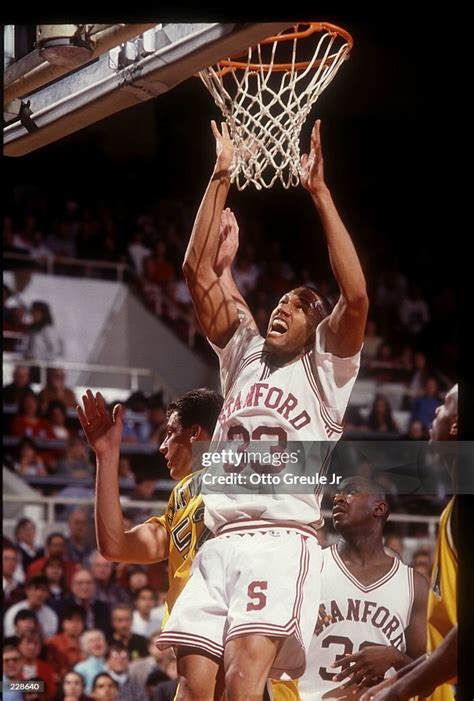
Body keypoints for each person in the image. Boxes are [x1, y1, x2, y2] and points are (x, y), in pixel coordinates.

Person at [156, 118, 368, 698]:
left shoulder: (326, 370)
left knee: (244, 680)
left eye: (296, 307)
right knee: (193, 688)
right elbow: (196, 272)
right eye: (276, 302)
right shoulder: (242, 352)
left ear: (314, 326)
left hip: (279, 540)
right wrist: (220, 176)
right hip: (218, 539)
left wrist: (320, 195)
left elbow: (356, 297)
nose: (281, 309)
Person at [360, 384, 458, 701]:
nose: (434, 411)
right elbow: (448, 641)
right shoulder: (453, 509)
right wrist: (392, 684)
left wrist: (398, 690)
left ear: (456, 425)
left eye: (443, 404)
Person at [298, 476, 428, 699]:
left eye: (351, 491)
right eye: (336, 493)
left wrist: (395, 658)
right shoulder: (310, 565)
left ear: (379, 508)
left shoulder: (414, 585)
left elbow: (427, 681)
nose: (337, 498)